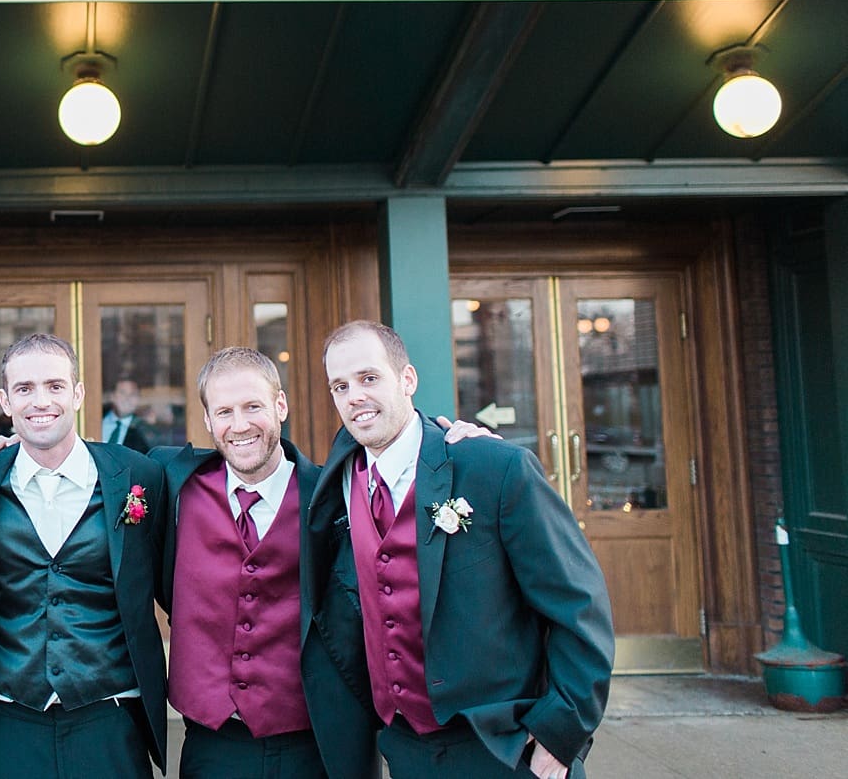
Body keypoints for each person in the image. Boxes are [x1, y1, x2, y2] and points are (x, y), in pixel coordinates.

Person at [310, 320, 615, 779]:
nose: (354, 396)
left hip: (504, 746)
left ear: (407, 379)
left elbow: (579, 605)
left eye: (369, 378)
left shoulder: (492, 467)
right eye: (340, 386)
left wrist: (561, 731)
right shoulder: (337, 482)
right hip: (406, 748)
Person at [153, 347, 376, 779]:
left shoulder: (335, 496)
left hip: (313, 743)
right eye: (224, 412)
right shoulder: (173, 484)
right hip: (211, 744)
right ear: (208, 421)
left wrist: (458, 439)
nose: (239, 425)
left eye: (253, 406)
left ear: (280, 406)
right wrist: (18, 450)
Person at [0, 333, 167, 779]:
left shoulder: (138, 475)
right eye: (24, 388)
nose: (40, 401)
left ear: (78, 393)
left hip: (110, 719)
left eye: (54, 386)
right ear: (5, 401)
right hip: (9, 719)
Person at [100, 377, 157, 452]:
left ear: (139, 399)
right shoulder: (95, 416)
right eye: (122, 392)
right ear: (112, 396)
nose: (127, 398)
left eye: (133, 394)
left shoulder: (143, 428)